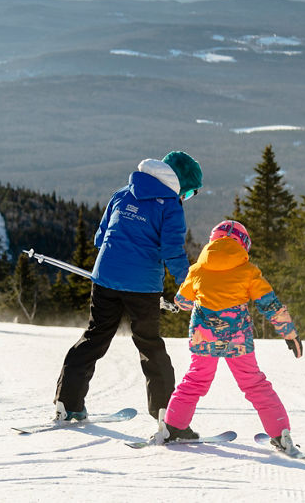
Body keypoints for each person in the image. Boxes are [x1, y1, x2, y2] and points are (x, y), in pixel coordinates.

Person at [54, 151, 203, 423]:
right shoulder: (170, 204)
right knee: (150, 345)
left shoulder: (122, 193)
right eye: (190, 192)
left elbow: (100, 237)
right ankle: (168, 417)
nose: (186, 197)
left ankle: (68, 402)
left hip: (105, 279)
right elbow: (172, 251)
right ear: (180, 183)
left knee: (94, 337)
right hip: (142, 286)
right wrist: (189, 285)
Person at [163, 220, 302, 449]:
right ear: (243, 244)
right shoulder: (248, 271)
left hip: (203, 338)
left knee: (195, 379)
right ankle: (280, 434)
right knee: (254, 383)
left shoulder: (197, 269)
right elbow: (270, 304)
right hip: (237, 340)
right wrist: (289, 334)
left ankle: (173, 427)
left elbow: (183, 302)